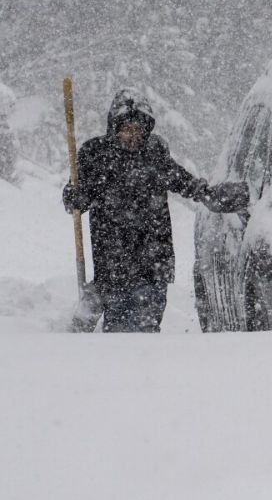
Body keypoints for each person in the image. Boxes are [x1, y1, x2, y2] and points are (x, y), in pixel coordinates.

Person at [62, 89, 247, 333]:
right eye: (126, 129)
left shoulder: (154, 152)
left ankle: (146, 366)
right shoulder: (96, 155)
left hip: (153, 258)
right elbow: (77, 198)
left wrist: (206, 193)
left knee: (146, 326)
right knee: (117, 329)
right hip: (112, 259)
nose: (133, 135)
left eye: (138, 129)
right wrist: (74, 195)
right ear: (114, 127)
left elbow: (180, 179)